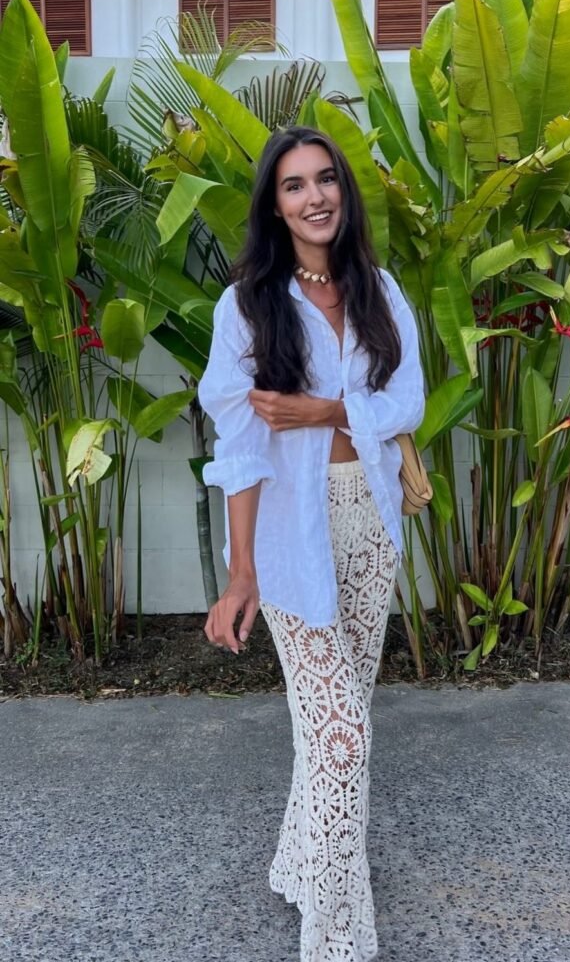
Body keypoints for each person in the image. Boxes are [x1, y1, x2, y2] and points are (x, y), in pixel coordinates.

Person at [198, 125, 425, 962]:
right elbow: (242, 451)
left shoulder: (379, 290)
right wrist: (240, 571)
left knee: (339, 720)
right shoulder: (248, 306)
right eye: (294, 186)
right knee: (339, 738)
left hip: (369, 523)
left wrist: (330, 413)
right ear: (275, 204)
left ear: (343, 191)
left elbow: (408, 403)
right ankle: (336, 940)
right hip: (295, 534)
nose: (314, 196)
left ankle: (302, 864)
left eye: (325, 179)